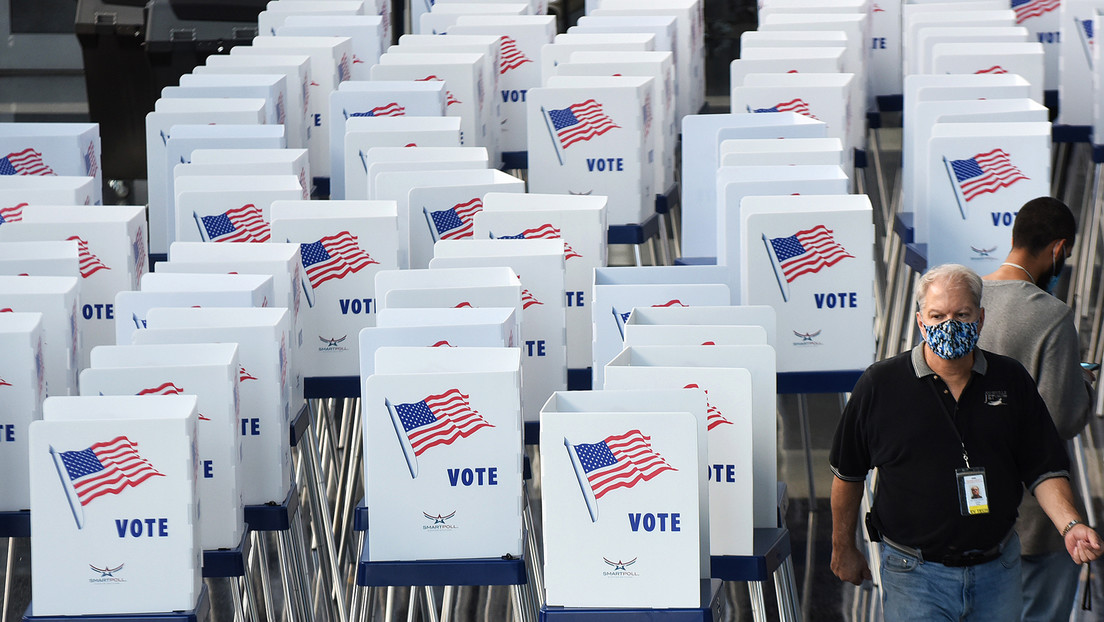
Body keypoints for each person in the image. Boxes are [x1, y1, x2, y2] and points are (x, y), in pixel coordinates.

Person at [829, 264, 1101, 621]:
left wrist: (1070, 524)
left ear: (981, 318)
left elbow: (1044, 467)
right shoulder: (880, 385)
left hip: (997, 571)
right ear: (920, 322)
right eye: (937, 315)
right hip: (915, 575)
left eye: (962, 314)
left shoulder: (1010, 379)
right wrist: (843, 548)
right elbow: (847, 475)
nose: (950, 325)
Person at [980, 196, 1095, 622]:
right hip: (1035, 516)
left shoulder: (962, 299)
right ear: (1059, 248)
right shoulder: (1052, 316)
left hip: (972, 509)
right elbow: (1060, 419)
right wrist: (1083, 384)